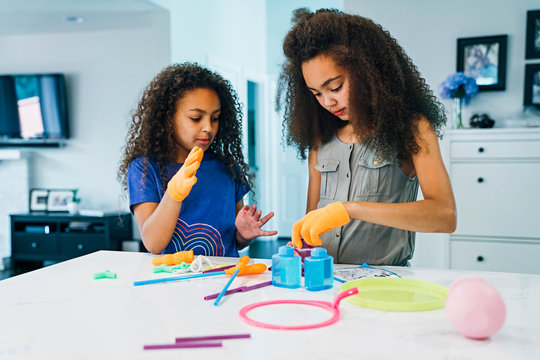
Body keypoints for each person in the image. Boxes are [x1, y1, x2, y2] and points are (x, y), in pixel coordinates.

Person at [277, 9, 457, 266]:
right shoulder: (320, 140)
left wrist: (349, 210)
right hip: (326, 284)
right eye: (316, 93)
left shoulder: (412, 128)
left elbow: (444, 216)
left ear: (367, 71)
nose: (328, 102)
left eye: (336, 87)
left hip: (385, 287)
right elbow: (312, 222)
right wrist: (299, 249)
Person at [119, 63, 277, 256]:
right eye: (196, 118)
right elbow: (153, 243)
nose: (208, 128)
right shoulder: (145, 168)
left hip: (224, 279)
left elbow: (233, 241)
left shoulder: (227, 168)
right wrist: (174, 194)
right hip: (173, 281)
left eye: (215, 118)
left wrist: (243, 236)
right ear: (168, 118)